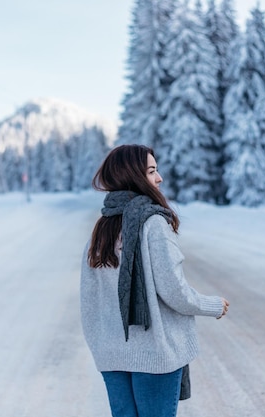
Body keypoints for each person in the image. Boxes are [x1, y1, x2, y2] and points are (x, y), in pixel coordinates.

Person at [80, 144, 229, 417]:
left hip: (111, 355)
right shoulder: (153, 224)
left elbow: (89, 303)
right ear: (133, 176)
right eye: (151, 171)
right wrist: (213, 305)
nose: (159, 178)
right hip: (154, 357)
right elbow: (174, 291)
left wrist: (102, 346)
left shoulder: (100, 231)